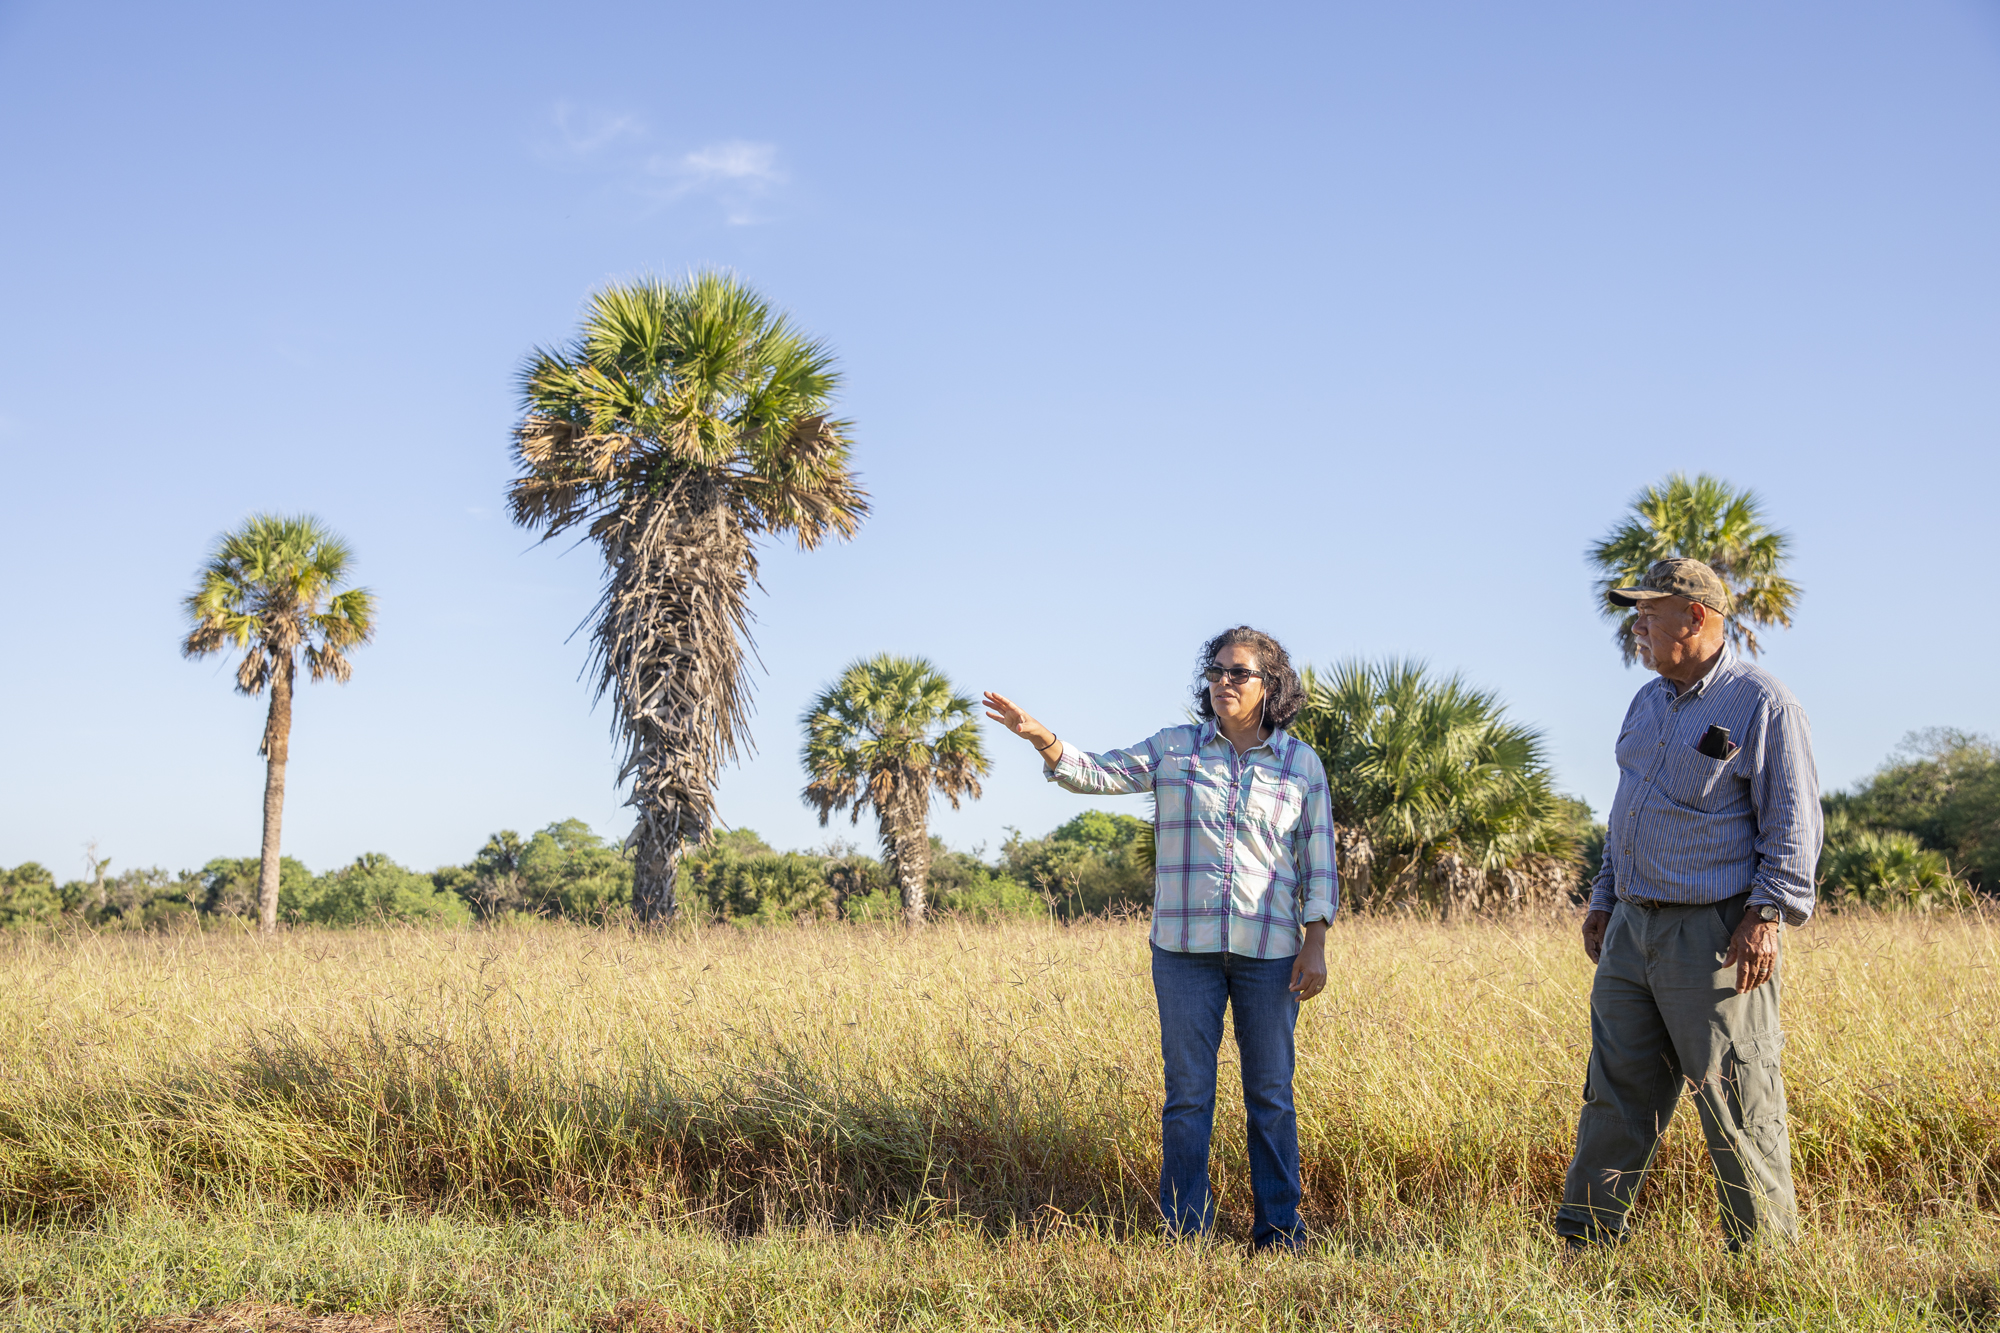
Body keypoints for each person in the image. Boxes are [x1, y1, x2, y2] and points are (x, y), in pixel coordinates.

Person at [983, 626, 1337, 1250]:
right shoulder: (1176, 750)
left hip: (1270, 952)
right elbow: (1097, 774)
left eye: (1240, 673)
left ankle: (1281, 1231)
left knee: (1272, 1096)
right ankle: (1184, 1232)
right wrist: (1040, 737)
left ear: (1270, 686)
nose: (1224, 682)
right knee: (1188, 1096)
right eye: (1218, 670)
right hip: (1182, 953)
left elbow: (1317, 859)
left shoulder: (1299, 762)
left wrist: (1317, 940)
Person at [1558, 558, 1821, 1252]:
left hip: (1716, 935)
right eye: (1636, 611)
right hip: (1631, 928)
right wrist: (1605, 895)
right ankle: (1585, 1241)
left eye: (1650, 611)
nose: (1637, 624)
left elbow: (1792, 825)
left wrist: (1765, 918)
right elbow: (1627, 810)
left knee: (1737, 1096)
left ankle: (1763, 1258)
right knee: (1613, 1094)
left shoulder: (1762, 703)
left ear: (1696, 617)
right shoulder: (1646, 702)